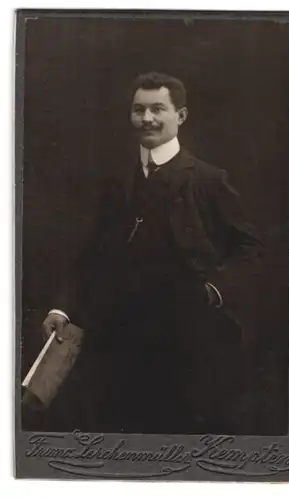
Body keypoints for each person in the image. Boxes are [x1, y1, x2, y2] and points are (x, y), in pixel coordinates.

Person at [41, 72, 262, 434]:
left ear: (182, 116)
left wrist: (215, 290)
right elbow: (90, 252)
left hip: (187, 340)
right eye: (138, 110)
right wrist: (62, 306)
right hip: (118, 337)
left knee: (181, 433)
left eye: (158, 109)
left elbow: (251, 248)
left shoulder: (207, 180)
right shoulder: (117, 179)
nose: (147, 119)